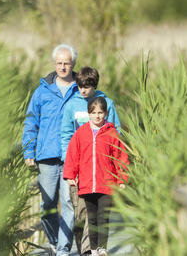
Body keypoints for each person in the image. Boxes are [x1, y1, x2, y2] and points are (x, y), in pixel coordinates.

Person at [22, 44, 78, 256]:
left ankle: (63, 250)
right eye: (59, 63)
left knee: (68, 203)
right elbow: (30, 123)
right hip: (46, 156)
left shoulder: (80, 91)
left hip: (71, 157)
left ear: (73, 64)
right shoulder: (42, 90)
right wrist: (29, 151)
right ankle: (54, 242)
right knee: (47, 206)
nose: (63, 67)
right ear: (54, 64)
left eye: (67, 63)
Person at [60, 67, 121, 255]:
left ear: (94, 85)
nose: (83, 90)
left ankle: (93, 250)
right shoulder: (71, 105)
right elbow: (66, 136)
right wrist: (70, 168)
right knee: (80, 213)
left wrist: (118, 174)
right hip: (79, 168)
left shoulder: (107, 103)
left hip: (102, 172)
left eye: (87, 86)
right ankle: (84, 249)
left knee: (99, 216)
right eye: (79, 86)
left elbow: (116, 134)